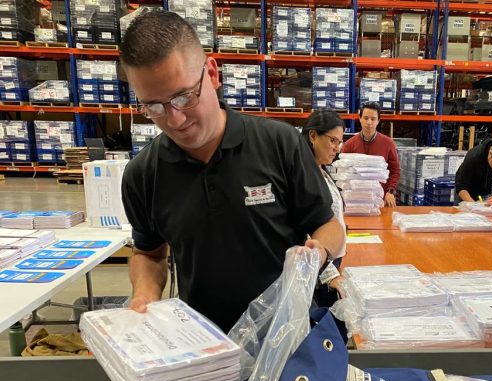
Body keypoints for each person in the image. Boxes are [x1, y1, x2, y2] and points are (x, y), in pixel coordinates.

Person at [119, 12, 345, 332]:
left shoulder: (280, 144)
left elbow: (329, 226)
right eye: (154, 106)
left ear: (212, 74)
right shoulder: (143, 174)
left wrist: (318, 251)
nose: (175, 119)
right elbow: (149, 254)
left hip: (285, 338)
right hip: (202, 342)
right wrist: (144, 295)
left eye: (184, 97)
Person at [301, 110, 346, 305]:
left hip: (332, 260)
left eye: (340, 142)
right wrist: (329, 274)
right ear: (313, 136)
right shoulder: (302, 176)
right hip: (320, 268)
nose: (337, 148)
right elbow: (304, 232)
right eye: (333, 140)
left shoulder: (321, 170)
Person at [340, 102, 400, 207]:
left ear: (378, 121)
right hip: (355, 201)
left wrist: (390, 191)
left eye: (373, 119)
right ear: (360, 119)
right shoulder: (349, 145)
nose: (369, 122)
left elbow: (395, 170)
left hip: (380, 200)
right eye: (366, 118)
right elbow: (343, 172)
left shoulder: (388, 144)